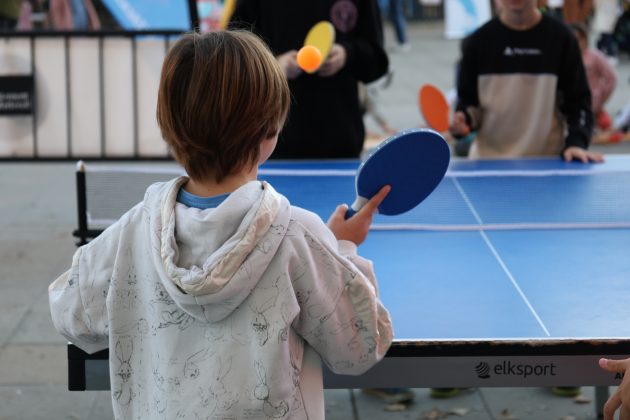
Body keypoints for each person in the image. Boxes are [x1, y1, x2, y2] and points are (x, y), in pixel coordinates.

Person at [48, 30, 393, 419]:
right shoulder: (300, 236)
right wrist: (341, 249)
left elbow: (71, 315)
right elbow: (360, 348)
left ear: (168, 126)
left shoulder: (132, 231)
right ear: (271, 129)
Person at [229, 0, 389, 159]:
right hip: (274, 139)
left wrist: (347, 54)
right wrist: (273, 66)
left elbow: (377, 60)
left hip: (340, 136)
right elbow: (234, 57)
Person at [450, 0, 604, 163]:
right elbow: (468, 104)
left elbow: (579, 103)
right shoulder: (477, 42)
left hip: (546, 162)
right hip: (489, 161)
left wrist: (576, 143)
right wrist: (462, 121)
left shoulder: (562, 39)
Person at [570, 22, 617, 131]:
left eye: (579, 39)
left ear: (585, 39)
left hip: (592, 103)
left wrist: (601, 97)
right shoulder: (566, 57)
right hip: (572, 104)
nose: (576, 43)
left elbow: (611, 78)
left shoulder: (595, 56)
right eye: (573, 40)